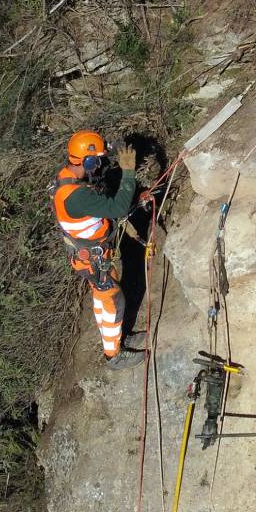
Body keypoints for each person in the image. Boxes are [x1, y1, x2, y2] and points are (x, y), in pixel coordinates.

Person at [50, 130, 144, 369]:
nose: (100, 166)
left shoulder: (66, 178)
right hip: (93, 259)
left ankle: (119, 337)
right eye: (97, 162)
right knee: (112, 301)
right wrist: (128, 173)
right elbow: (118, 208)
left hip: (92, 255)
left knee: (106, 297)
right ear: (88, 161)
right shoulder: (76, 196)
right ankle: (113, 355)